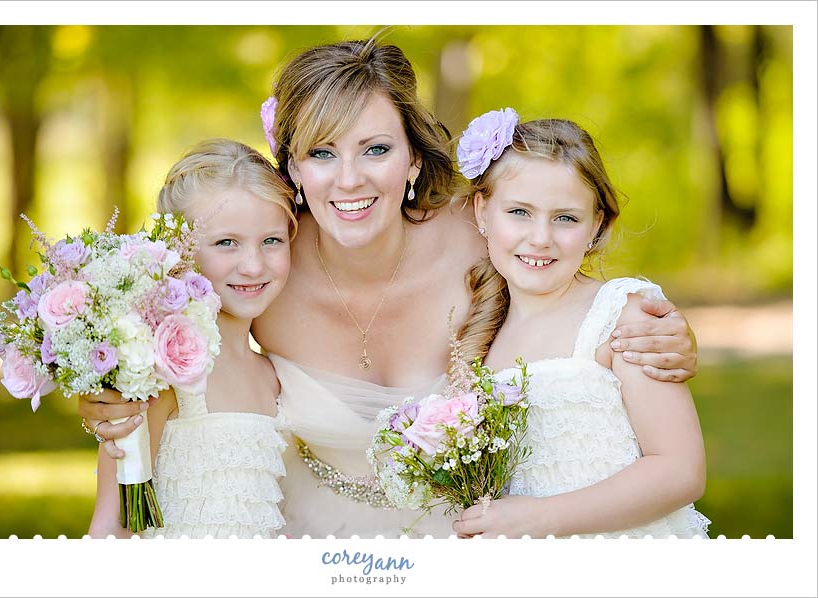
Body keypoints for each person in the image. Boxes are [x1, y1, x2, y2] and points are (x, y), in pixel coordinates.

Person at [80, 36, 699, 538]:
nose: (349, 180)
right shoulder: (260, 268)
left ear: (413, 158)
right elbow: (143, 348)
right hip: (307, 540)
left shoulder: (480, 235)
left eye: (375, 149)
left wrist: (664, 332)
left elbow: (568, 285)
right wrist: (106, 394)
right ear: (292, 168)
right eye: (322, 153)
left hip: (475, 538)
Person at [451, 111, 710, 538]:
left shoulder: (619, 317)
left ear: (596, 225)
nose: (540, 238)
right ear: (482, 211)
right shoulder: (482, 332)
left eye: (565, 218)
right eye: (519, 212)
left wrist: (539, 519)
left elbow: (681, 470)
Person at [87, 139, 297, 538]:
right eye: (226, 243)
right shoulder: (159, 379)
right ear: (179, 251)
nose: (253, 265)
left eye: (272, 240)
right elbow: (111, 525)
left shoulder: (273, 374)